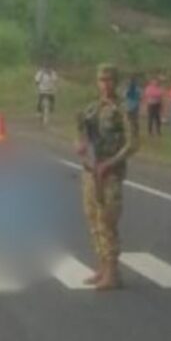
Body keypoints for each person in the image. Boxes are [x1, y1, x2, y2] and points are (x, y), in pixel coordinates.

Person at [75, 64, 137, 291]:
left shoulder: (124, 109)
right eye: (101, 80)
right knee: (93, 220)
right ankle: (102, 267)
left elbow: (133, 144)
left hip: (110, 174)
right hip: (91, 171)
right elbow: (81, 133)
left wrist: (110, 163)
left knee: (107, 221)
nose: (105, 84)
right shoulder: (92, 109)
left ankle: (112, 272)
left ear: (116, 82)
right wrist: (80, 146)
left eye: (109, 80)